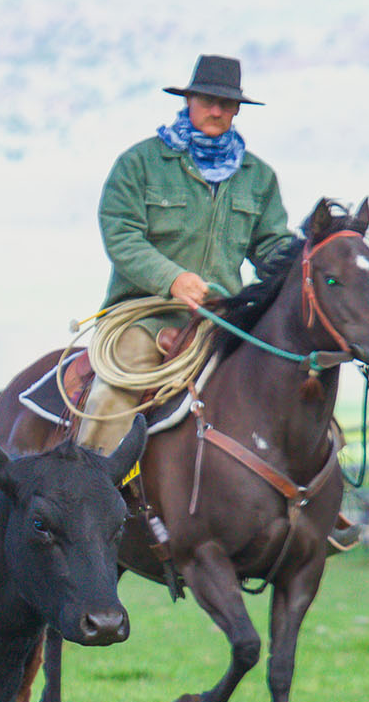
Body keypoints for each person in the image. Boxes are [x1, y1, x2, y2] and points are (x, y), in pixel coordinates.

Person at [79, 54, 295, 453]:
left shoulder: (258, 177)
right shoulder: (140, 164)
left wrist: (306, 258)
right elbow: (121, 234)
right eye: (207, 100)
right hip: (146, 316)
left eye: (227, 104)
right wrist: (172, 280)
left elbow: (271, 247)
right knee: (113, 399)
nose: (216, 110)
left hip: (224, 321)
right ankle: (91, 491)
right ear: (188, 101)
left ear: (236, 110)